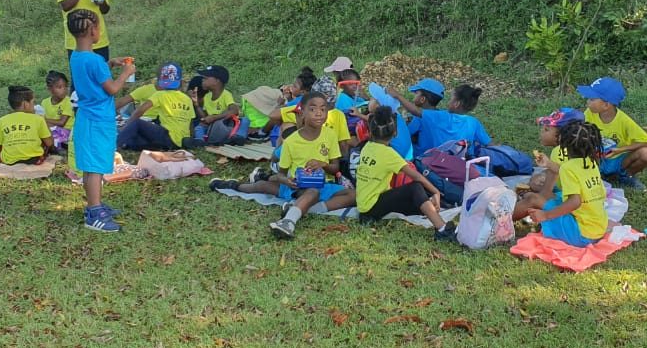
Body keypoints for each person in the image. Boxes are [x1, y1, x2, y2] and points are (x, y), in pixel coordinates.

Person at [211, 92, 356, 240]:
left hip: (322, 184)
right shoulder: (291, 142)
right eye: (313, 109)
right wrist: (288, 181)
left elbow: (335, 168)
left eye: (323, 109)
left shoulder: (330, 135)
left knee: (353, 195)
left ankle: (302, 208)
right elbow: (281, 174)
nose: (319, 113)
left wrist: (323, 164)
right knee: (262, 186)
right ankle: (287, 221)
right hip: (296, 187)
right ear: (302, 113)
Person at [68, 9, 135, 232]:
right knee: (95, 168)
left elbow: (91, 73)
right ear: (93, 30)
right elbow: (112, 88)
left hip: (88, 118)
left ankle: (94, 205)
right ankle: (94, 213)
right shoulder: (95, 60)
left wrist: (110, 63)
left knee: (91, 166)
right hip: (98, 120)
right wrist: (126, 73)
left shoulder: (77, 56)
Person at [356, 107, 454, 241]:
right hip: (371, 208)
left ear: (371, 131)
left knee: (419, 200)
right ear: (395, 132)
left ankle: (434, 212)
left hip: (366, 205)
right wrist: (436, 191)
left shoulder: (367, 147)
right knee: (415, 188)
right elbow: (416, 176)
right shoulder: (388, 154)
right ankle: (442, 229)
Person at [524, 119, 608, 246]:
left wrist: (545, 215)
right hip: (598, 229)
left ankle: (502, 224)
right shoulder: (591, 163)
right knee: (552, 197)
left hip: (581, 234)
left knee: (532, 198)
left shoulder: (568, 168)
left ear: (563, 144)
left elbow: (575, 202)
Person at [577, 77, 647, 191]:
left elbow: (646, 142)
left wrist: (620, 150)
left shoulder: (624, 121)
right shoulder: (589, 114)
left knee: (646, 153)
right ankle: (596, 176)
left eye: (592, 99)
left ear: (606, 105)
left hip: (618, 160)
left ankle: (626, 176)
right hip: (596, 159)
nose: (587, 102)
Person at [513, 107, 584, 221]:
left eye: (546, 129)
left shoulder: (558, 152)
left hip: (572, 210)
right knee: (534, 185)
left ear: (561, 136)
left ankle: (501, 222)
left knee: (531, 198)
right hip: (582, 203)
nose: (541, 132)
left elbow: (546, 193)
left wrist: (528, 193)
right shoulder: (582, 150)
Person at [391, 81, 490, 157]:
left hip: (425, 161)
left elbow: (414, 117)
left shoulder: (440, 116)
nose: (449, 102)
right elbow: (489, 144)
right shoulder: (474, 123)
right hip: (458, 164)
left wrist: (398, 96)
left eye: (451, 99)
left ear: (457, 104)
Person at [116, 62, 195, 151]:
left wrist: (127, 126)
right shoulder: (187, 99)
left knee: (137, 123)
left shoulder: (160, 94)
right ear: (180, 82)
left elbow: (140, 111)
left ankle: (114, 146)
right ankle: (128, 145)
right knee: (135, 141)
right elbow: (191, 123)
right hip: (180, 142)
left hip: (167, 136)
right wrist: (190, 140)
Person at [0, 86, 53, 164]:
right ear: (25, 104)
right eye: (33, 102)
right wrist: (45, 123)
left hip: (9, 161)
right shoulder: (38, 119)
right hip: (34, 159)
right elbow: (49, 143)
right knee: (43, 137)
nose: (34, 106)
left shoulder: (2, 121)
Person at [194, 65, 243, 142]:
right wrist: (197, 105)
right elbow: (205, 116)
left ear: (217, 81)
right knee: (199, 127)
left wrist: (214, 117)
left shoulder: (226, 94)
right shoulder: (207, 96)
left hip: (224, 124)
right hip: (211, 126)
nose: (202, 80)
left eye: (206, 78)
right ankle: (200, 141)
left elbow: (234, 110)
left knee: (244, 120)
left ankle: (237, 138)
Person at [41, 70, 74, 152]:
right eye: (59, 87)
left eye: (66, 86)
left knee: (50, 134)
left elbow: (62, 123)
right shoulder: (44, 102)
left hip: (67, 132)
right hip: (51, 130)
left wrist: (44, 120)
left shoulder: (68, 101)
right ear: (50, 89)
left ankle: (57, 152)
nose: (64, 90)